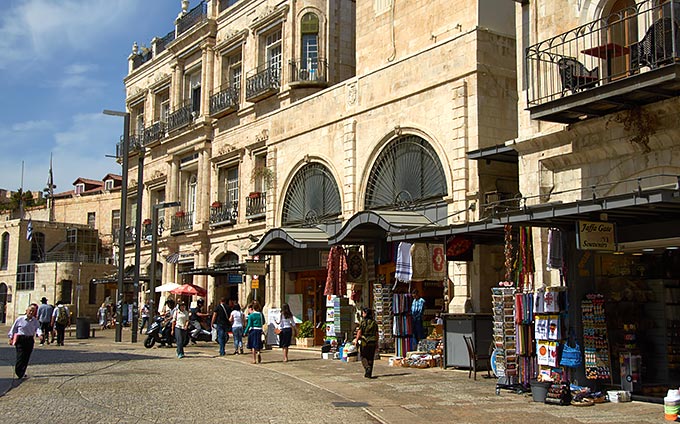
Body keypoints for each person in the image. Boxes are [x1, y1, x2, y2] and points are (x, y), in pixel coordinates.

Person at [8, 303, 40, 379]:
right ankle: (18, 371)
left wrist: (40, 334)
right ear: (26, 311)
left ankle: (22, 372)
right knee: (20, 356)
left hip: (29, 339)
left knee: (27, 356)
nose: (31, 312)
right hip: (21, 339)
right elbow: (14, 328)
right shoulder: (20, 319)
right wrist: (11, 337)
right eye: (30, 310)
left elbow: (38, 328)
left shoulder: (35, 321)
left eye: (33, 311)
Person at [353, 307, 378, 379]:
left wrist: (356, 340)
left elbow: (359, 332)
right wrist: (377, 342)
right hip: (372, 341)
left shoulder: (363, 322)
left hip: (365, 341)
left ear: (366, 314)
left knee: (363, 356)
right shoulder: (374, 322)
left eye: (363, 313)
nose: (362, 314)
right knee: (370, 357)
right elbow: (376, 334)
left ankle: (367, 367)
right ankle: (369, 373)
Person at [243, 300, 265, 364]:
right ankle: (258, 352)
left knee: (253, 345)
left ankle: (254, 359)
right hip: (259, 330)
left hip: (253, 330)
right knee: (258, 343)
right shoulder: (261, 314)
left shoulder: (251, 315)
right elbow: (263, 322)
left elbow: (249, 324)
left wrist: (245, 332)